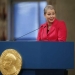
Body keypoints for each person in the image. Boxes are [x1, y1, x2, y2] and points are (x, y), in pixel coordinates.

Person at [36, 5, 68, 75]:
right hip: (43, 59)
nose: (51, 16)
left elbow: (61, 43)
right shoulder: (42, 26)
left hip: (57, 59)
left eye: (53, 14)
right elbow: (38, 43)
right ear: (44, 15)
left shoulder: (61, 24)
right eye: (49, 14)